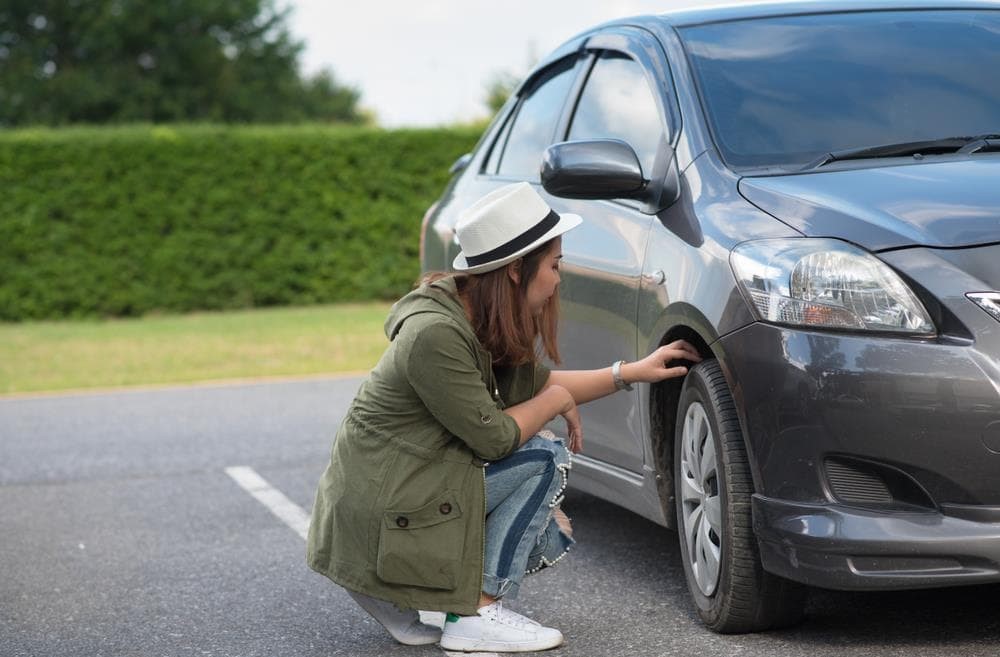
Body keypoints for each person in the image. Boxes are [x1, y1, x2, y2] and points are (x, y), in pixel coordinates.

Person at [306, 181, 701, 652]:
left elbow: (536, 385)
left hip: (395, 493)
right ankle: (476, 612)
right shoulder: (435, 336)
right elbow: (496, 439)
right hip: (384, 510)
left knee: (539, 486)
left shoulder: (468, 314)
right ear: (516, 270)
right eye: (554, 265)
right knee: (543, 459)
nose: (559, 279)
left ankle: (400, 591)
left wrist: (633, 372)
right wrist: (556, 411)